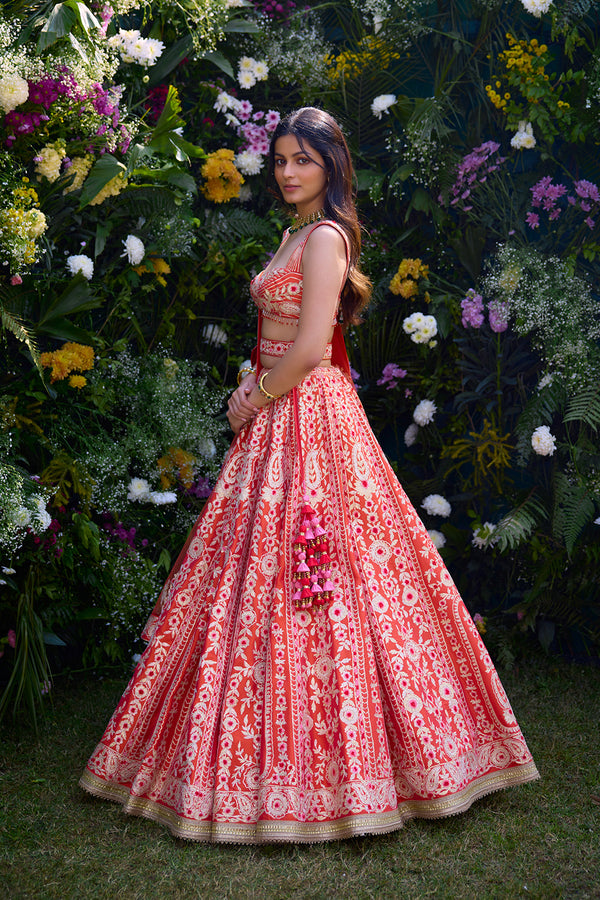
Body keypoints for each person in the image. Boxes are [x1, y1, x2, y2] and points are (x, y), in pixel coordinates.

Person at [80, 107, 539, 843]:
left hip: (304, 415)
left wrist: (248, 400)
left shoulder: (324, 237)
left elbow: (313, 349)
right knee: (256, 574)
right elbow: (282, 340)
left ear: (332, 168)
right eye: (283, 159)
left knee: (323, 572)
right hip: (279, 412)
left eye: (305, 161)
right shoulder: (296, 234)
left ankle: (363, 763)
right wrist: (255, 388)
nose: (289, 172)